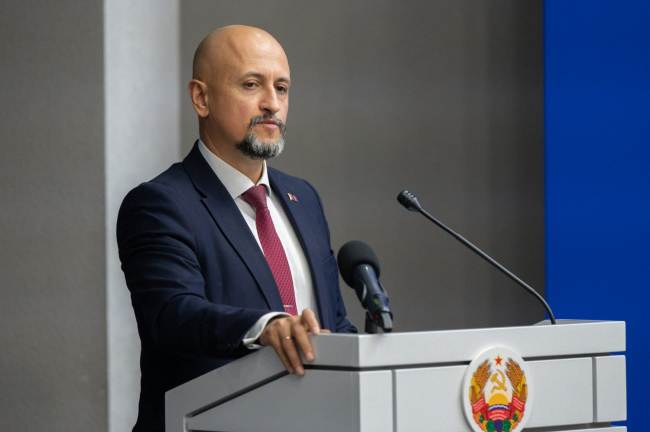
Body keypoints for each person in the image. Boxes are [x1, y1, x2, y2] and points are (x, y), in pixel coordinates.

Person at [116, 25, 357, 431]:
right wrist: (267, 327)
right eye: (251, 85)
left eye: (282, 88)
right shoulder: (160, 204)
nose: (272, 103)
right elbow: (174, 315)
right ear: (201, 98)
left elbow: (332, 322)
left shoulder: (304, 199)